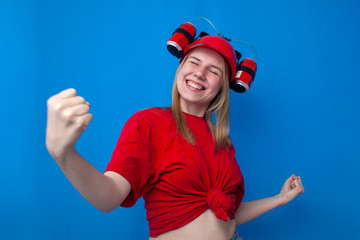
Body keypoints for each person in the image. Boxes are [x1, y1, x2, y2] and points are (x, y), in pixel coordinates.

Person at [46, 35, 304, 240]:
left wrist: (279, 200)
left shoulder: (222, 141)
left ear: (223, 86)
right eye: (194, 62)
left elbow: (226, 213)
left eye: (214, 70)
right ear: (180, 66)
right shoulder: (148, 123)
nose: (200, 73)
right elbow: (109, 197)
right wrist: (65, 154)